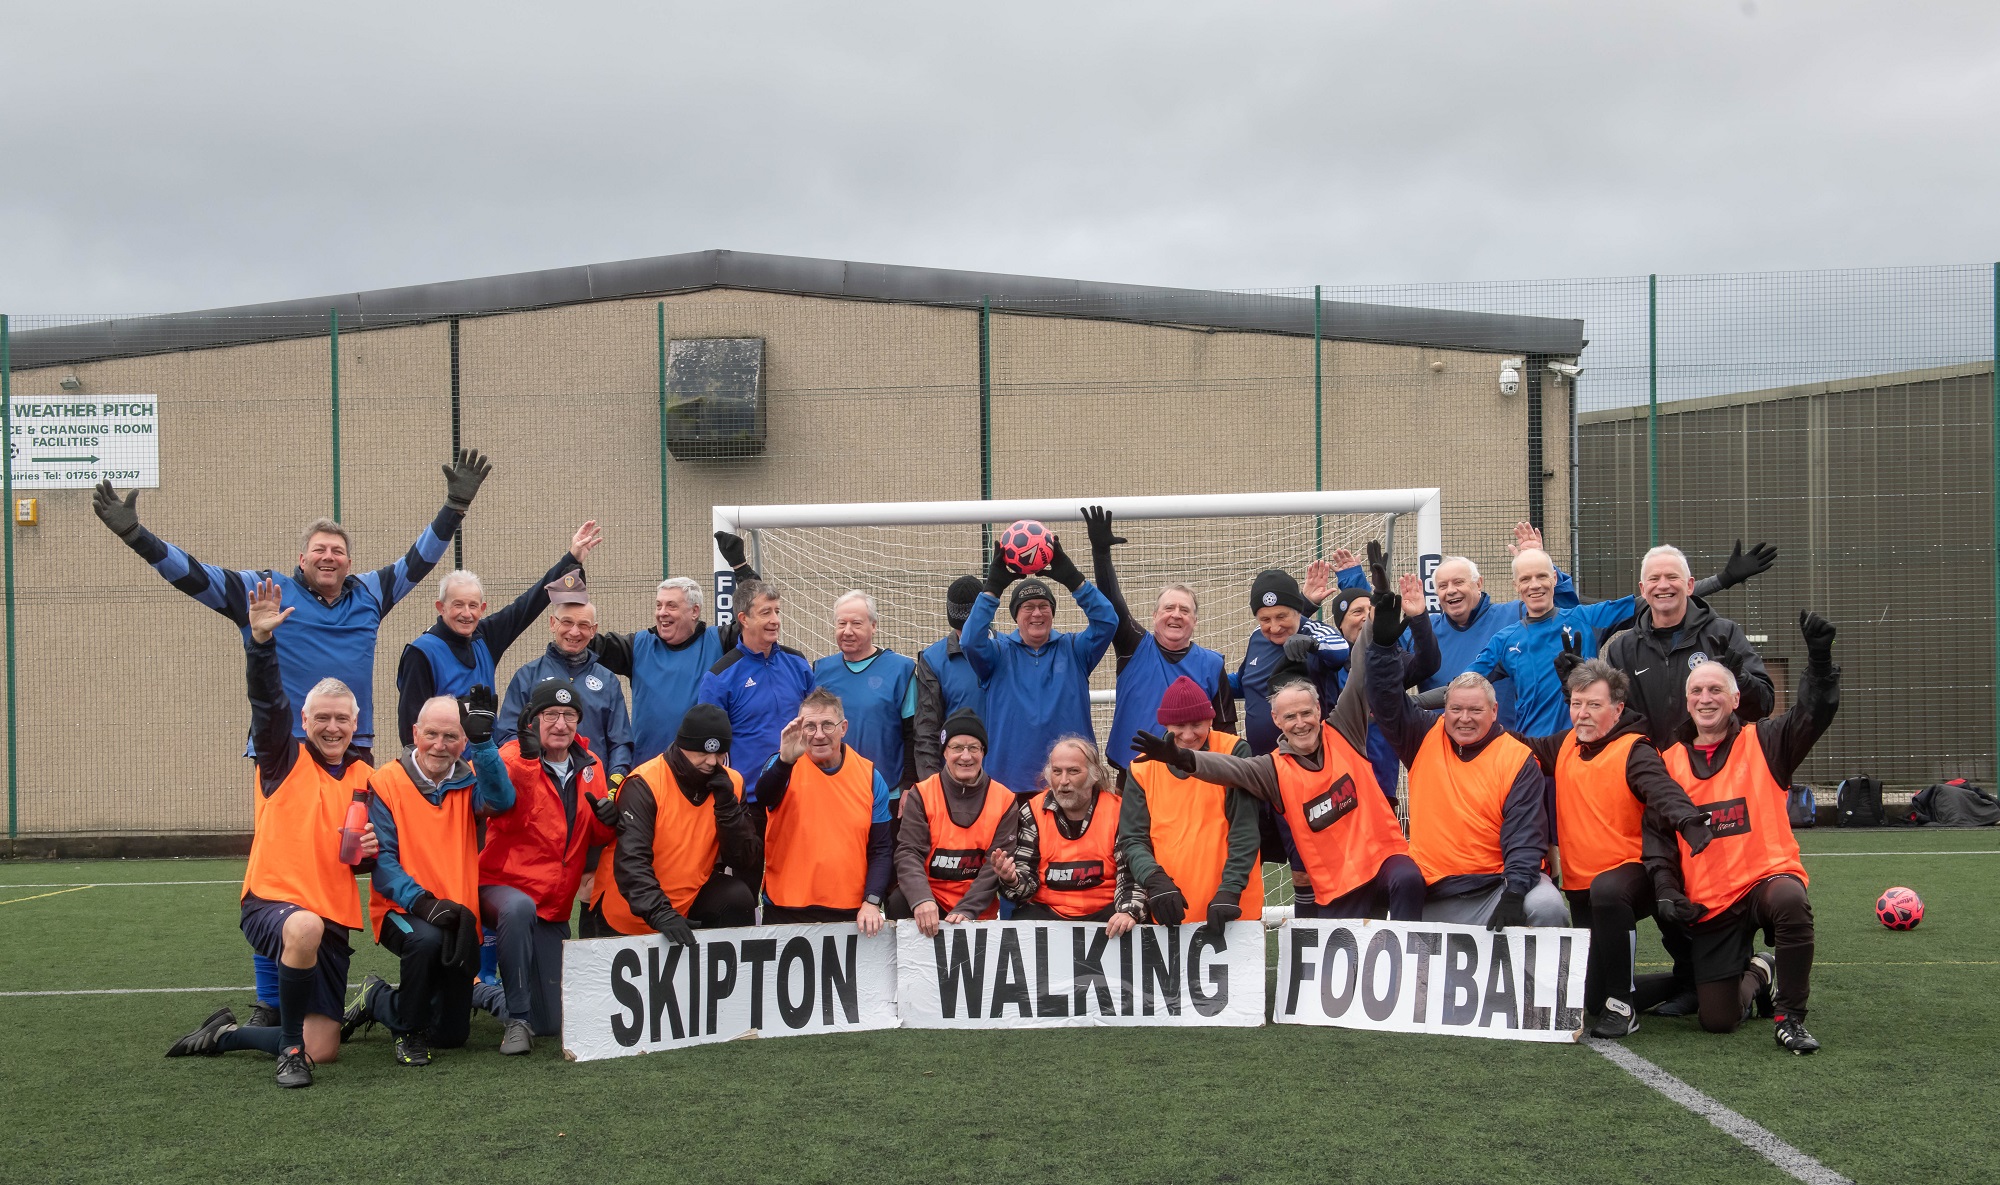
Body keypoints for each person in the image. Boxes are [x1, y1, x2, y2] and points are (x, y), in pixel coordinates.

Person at [97, 450, 491, 1021]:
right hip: (284, 753)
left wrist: (455, 507)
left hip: (352, 752)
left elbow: (418, 560)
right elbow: (196, 575)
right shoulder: (266, 591)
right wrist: (137, 535)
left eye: (338, 551)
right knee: (280, 873)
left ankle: (336, 981)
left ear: (348, 561)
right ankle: (269, 1003)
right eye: (319, 550)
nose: (329, 557)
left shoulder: (370, 595)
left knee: (345, 863)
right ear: (300, 558)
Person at [165, 579, 377, 1088]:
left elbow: (362, 860)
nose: (332, 727)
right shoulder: (283, 757)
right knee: (302, 927)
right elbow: (266, 703)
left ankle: (226, 1035)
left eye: (341, 720)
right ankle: (287, 1053)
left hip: (332, 918)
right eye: (321, 718)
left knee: (323, 1048)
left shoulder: (367, 778)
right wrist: (260, 643)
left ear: (356, 723)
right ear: (304, 720)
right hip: (272, 904)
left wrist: (369, 854)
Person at [1646, 612, 1839, 1054]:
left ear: (1736, 700)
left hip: (1764, 880)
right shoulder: (1667, 760)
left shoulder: (1767, 741)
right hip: (1711, 900)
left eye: (1716, 690)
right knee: (1718, 1020)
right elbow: (1656, 836)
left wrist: (1820, 663)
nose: (1705, 698)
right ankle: (1759, 972)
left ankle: (1790, 1018)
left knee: (1790, 900)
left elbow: (1814, 712)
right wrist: (1665, 889)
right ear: (1686, 701)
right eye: (1697, 691)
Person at [1136, 653, 1421, 925]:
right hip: (1338, 884)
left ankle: (1411, 964)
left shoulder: (1344, 731)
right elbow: (1228, 768)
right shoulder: (1271, 769)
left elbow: (1359, 675)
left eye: (1306, 713)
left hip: (1382, 860)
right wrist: (1182, 758)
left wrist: (1375, 627)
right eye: (1290, 717)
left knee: (1408, 878)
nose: (1300, 723)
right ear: (1276, 720)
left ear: (1319, 710)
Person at [1511, 658, 1713, 1038]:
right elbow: (1520, 747)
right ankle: (1687, 985)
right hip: (1583, 886)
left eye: (1594, 705)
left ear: (1618, 709)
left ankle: (1624, 1007)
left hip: (1634, 877)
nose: (1582, 714)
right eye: (1576, 703)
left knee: (1608, 890)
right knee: (1592, 999)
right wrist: (1476, 723)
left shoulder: (1634, 750)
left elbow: (1662, 789)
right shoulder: (1566, 744)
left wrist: (1687, 820)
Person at [1364, 585, 1569, 929]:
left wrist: (1516, 893)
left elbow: (1524, 836)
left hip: (1497, 887)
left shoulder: (1517, 758)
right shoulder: (1423, 735)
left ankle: (1535, 983)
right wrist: (1383, 647)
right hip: (1435, 889)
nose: (1464, 718)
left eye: (1475, 710)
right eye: (1455, 708)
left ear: (1494, 711)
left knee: (1548, 907)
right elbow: (1386, 702)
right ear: (1445, 710)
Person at [343, 689, 514, 1066]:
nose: (440, 745)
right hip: (400, 910)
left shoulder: (469, 778)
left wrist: (485, 745)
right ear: (415, 732)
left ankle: (376, 998)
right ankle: (409, 1033)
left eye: (452, 736)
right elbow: (382, 859)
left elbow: (502, 801)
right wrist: (422, 902)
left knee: (452, 1037)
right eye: (432, 734)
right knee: (425, 942)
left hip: (457, 916)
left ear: (463, 741)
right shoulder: (385, 781)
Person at [1463, 541, 1774, 736]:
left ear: (1554, 579)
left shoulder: (1587, 618)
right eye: (1526, 578)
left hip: (1585, 751)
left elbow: (1657, 598)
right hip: (1536, 756)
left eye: (1542, 576)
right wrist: (1414, 701)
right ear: (1515, 585)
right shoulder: (1505, 639)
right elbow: (1464, 685)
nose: (1535, 585)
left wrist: (1722, 580)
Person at [473, 677, 616, 1053]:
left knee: (551, 1023)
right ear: (532, 719)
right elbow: (506, 812)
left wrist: (608, 819)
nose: (561, 724)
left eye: (570, 715)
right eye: (551, 714)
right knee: (518, 908)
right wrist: (528, 761)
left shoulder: (591, 765)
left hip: (551, 906)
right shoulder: (510, 757)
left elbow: (595, 836)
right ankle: (516, 1020)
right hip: (499, 887)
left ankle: (479, 991)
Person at [395, 521, 601, 746]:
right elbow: (410, 728)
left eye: (473, 606)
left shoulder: (485, 637)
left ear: (482, 609)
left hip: (485, 765)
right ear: (440, 607)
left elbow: (528, 604)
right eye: (458, 605)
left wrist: (572, 558)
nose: (466, 613)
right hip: (442, 769)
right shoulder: (421, 652)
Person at [959, 530, 1119, 797]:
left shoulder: (1074, 649)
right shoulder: (997, 654)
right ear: (1015, 616)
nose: (1037, 613)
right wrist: (992, 589)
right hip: (1008, 785)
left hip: (1071, 784)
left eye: (1044, 606)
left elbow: (1107, 621)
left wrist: (1074, 580)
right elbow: (970, 641)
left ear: (1053, 613)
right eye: (1027, 607)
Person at [584, 704, 761, 942]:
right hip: (628, 910)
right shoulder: (644, 783)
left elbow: (744, 859)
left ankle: (724, 978)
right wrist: (660, 913)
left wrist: (728, 809)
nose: (712, 762)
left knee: (736, 897)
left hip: (687, 899)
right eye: (702, 752)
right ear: (682, 747)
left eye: (720, 754)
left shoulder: (732, 783)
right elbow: (632, 861)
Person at [1081, 505, 1236, 769]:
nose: (1176, 615)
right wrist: (1101, 552)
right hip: (1132, 774)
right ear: (1155, 616)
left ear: (1195, 621)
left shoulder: (1212, 664)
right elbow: (1112, 602)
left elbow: (1225, 729)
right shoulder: (1134, 646)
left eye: (1185, 610)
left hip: (1188, 773)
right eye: (1169, 608)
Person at [590, 531, 760, 764]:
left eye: (671, 605)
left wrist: (740, 567)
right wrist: (574, 568)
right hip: (648, 774)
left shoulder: (719, 642)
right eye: (659, 605)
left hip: (704, 771)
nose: (662, 612)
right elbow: (583, 638)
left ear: (695, 611)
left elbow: (755, 618)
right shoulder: (636, 647)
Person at [1119, 675, 1263, 927]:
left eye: (1197, 724)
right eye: (1179, 725)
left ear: (1210, 719)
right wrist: (1155, 880)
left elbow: (1244, 830)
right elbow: (1133, 838)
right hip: (1170, 906)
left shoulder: (1234, 751)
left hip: (1232, 905)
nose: (1187, 735)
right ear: (1165, 725)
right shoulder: (1142, 766)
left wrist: (1231, 889)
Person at [1604, 544, 1778, 749]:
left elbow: (1763, 706)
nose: (1663, 585)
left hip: (1716, 770)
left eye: (1672, 577)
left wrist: (1740, 678)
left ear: (1689, 585)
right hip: (1651, 772)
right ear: (1643, 589)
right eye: (1654, 578)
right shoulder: (1622, 650)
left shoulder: (1724, 634)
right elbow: (1614, 718)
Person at [756, 690, 894, 931]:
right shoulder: (782, 765)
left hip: (850, 911)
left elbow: (881, 849)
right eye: (810, 726)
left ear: (843, 728)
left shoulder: (870, 776)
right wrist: (784, 762)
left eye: (827, 725)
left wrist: (872, 901)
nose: (819, 735)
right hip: (786, 908)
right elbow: (764, 797)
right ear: (799, 729)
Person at [1424, 523, 1580, 724]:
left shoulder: (1515, 613)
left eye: (1458, 582)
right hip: (1444, 746)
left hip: (1508, 743)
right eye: (1443, 586)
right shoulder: (1423, 630)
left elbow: (1564, 616)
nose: (1451, 590)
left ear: (1478, 583)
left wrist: (1538, 564)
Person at [887, 709, 1018, 934]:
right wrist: (921, 899)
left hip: (975, 908)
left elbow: (993, 867)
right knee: (898, 901)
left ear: (983, 752)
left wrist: (967, 910)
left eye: (973, 748)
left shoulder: (1005, 799)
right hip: (931, 901)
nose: (965, 756)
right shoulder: (922, 793)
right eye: (957, 747)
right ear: (944, 752)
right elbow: (908, 853)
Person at [997, 736, 1144, 931]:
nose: (1064, 781)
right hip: (1046, 915)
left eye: (1073, 771)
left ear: (1094, 775)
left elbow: (1131, 876)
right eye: (1057, 772)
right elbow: (1023, 890)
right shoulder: (1031, 812)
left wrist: (1128, 911)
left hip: (1107, 916)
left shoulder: (1119, 811)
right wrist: (1012, 879)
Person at [496, 575, 634, 779]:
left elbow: (620, 742)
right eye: (567, 622)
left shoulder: (607, 681)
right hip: (539, 790)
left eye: (584, 625)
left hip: (592, 789)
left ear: (594, 630)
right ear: (553, 623)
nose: (575, 632)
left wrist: (614, 782)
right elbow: (507, 736)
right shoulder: (527, 676)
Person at [1230, 558, 1367, 756]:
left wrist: (1311, 645)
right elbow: (1244, 682)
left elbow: (1341, 650)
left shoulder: (1313, 631)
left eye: (1282, 616)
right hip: (1262, 765)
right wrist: (1210, 677)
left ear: (1298, 610)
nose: (1274, 627)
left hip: (1313, 762)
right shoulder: (1256, 637)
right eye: (1265, 620)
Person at [698, 578, 816, 805]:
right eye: (766, 613)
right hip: (748, 801)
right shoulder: (719, 677)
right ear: (744, 619)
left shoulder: (797, 663)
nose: (775, 620)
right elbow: (709, 747)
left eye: (777, 612)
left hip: (800, 795)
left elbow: (816, 722)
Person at [811, 590, 918, 795]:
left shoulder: (901, 670)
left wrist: (909, 784)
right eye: (842, 624)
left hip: (888, 791)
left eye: (856, 623)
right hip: (832, 789)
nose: (847, 631)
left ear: (874, 626)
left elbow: (912, 733)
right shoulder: (820, 671)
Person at [912, 576, 990, 781]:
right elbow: (927, 729)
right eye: (961, 629)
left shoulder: (1008, 651)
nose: (967, 635)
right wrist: (931, 784)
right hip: (958, 778)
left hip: (1005, 776)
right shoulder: (934, 660)